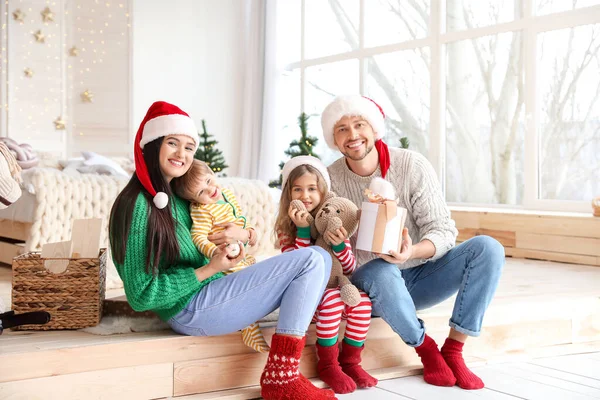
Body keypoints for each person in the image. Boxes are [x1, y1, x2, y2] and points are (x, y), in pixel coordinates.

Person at [109, 101, 336, 400]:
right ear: (152, 145)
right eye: (173, 143)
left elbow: (213, 230)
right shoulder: (137, 205)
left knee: (318, 257)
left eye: (190, 147)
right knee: (309, 259)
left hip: (213, 291)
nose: (182, 154)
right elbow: (141, 296)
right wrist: (209, 269)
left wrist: (236, 243)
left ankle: (283, 371)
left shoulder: (179, 194)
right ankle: (281, 376)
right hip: (190, 309)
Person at [322, 95, 505, 390]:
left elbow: (443, 229)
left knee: (488, 249)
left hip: (421, 275)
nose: (352, 135)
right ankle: (426, 348)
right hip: (371, 285)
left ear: (375, 128)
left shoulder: (411, 166)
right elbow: (320, 238)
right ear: (333, 138)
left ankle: (454, 350)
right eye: (342, 129)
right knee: (380, 269)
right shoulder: (330, 179)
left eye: (359, 124)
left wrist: (412, 251)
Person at [274, 156, 377, 394]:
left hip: (334, 289)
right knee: (332, 300)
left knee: (362, 302)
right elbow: (299, 267)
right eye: (297, 189)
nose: (305, 196)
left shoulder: (333, 220)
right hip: (305, 298)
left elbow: (350, 269)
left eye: (312, 189)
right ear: (288, 194)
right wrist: (301, 229)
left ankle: (351, 362)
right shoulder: (285, 229)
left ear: (323, 193)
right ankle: (328, 364)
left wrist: (341, 247)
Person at [173, 159, 268, 353]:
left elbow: (240, 218)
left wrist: (245, 231)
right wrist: (214, 251)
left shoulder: (227, 195)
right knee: (246, 290)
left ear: (212, 173)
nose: (210, 190)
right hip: (225, 258)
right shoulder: (202, 210)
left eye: (208, 181)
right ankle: (250, 329)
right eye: (201, 192)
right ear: (194, 200)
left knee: (258, 280)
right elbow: (198, 236)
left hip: (241, 251)